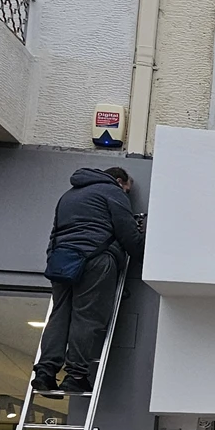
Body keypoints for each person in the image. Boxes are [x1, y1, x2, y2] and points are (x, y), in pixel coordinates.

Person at [35, 166, 142, 395]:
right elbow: (127, 233)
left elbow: (56, 232)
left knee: (59, 315)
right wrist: (142, 251)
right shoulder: (112, 191)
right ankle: (76, 375)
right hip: (95, 259)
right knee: (86, 317)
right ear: (119, 180)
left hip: (62, 260)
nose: (126, 193)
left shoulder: (68, 195)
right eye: (127, 189)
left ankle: (45, 372)